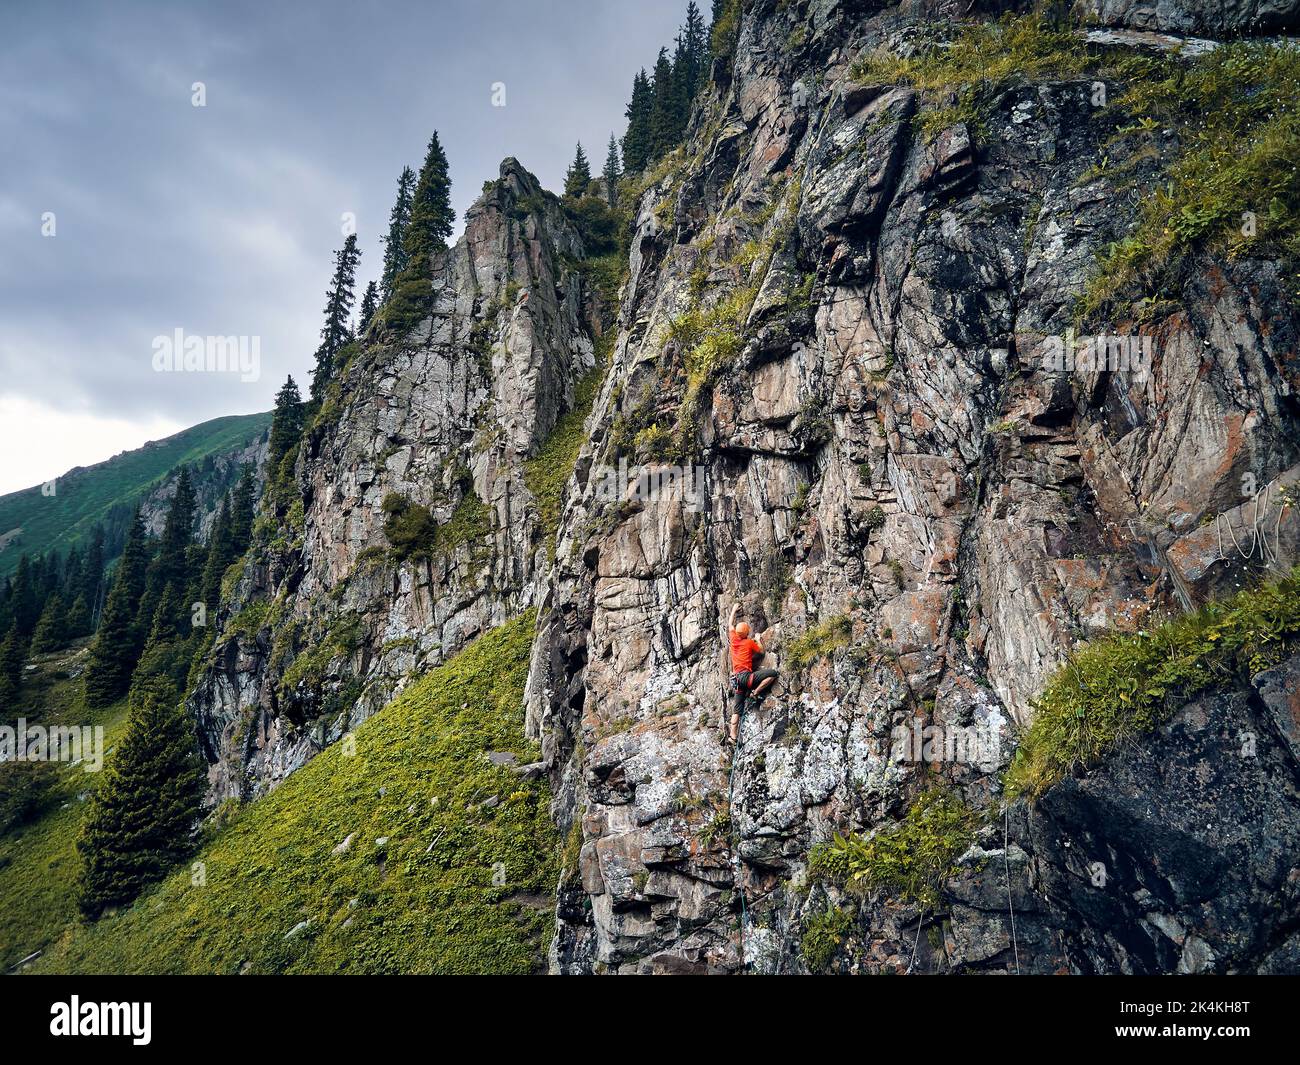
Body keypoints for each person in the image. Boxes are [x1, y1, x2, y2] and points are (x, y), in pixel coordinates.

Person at [726, 603, 778, 744]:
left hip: (736, 680)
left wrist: (733, 609)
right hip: (746, 677)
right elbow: (761, 652)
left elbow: (730, 624)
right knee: (773, 673)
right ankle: (755, 693)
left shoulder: (733, 639)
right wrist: (759, 639)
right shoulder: (749, 643)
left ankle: (732, 736)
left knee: (737, 711)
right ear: (747, 633)